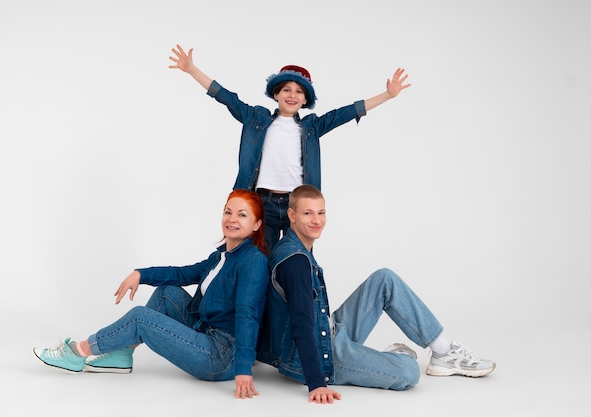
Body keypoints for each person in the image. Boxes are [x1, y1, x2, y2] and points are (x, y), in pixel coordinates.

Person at [256, 185, 496, 404]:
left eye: (321, 213)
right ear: (292, 216)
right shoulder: (295, 261)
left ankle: (442, 351)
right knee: (408, 374)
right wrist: (317, 383)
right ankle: (391, 357)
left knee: (384, 278)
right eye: (308, 213)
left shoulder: (295, 246)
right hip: (322, 355)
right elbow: (301, 323)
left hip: (329, 331)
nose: (317, 220)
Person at [168, 44, 411, 251]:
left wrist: (387, 95)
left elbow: (346, 112)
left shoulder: (312, 126)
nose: (292, 95)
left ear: (305, 100)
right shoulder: (256, 118)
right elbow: (226, 97)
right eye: (286, 89)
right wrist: (191, 70)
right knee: (262, 261)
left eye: (298, 92)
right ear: (276, 94)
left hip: (298, 206)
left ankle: (300, 307)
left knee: (298, 262)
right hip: (262, 203)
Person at [33, 189, 270, 400]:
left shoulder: (253, 260)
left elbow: (247, 314)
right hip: (205, 332)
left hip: (222, 356)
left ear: (257, 225)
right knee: (167, 292)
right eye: (228, 212)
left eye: (242, 215)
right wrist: (140, 274)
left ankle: (77, 352)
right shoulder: (219, 257)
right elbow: (180, 274)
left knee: (140, 317)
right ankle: (122, 354)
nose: (232, 219)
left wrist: (243, 370)